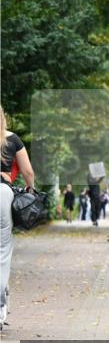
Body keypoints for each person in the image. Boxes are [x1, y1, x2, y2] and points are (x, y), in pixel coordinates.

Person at [1, 104, 34, 328]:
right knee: (2, 252)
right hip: (2, 194)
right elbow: (28, 171)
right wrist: (30, 190)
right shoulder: (12, 139)